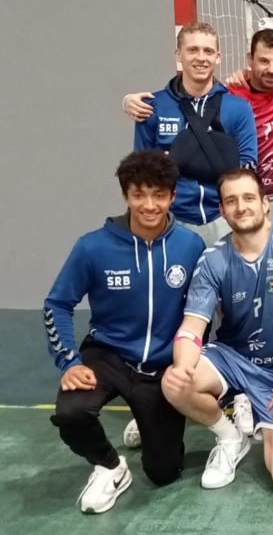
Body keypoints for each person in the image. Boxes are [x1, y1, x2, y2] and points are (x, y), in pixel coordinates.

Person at [42, 150, 205, 513]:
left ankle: (144, 420)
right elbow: (57, 304)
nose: (149, 205)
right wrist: (68, 361)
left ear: (173, 195)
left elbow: (203, 311)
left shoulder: (191, 246)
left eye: (159, 195)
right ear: (126, 196)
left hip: (162, 366)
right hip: (108, 355)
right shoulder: (93, 246)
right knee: (72, 413)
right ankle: (111, 467)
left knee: (164, 472)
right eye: (139, 195)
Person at [161, 168, 273, 491]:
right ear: (222, 211)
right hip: (233, 358)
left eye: (248, 198)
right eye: (231, 201)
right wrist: (183, 367)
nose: (241, 207)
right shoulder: (213, 259)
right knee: (175, 384)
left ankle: (260, 415)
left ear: (265, 203)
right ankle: (231, 437)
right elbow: (192, 327)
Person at [124, 29, 273, 224]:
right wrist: (127, 100)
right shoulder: (232, 93)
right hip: (230, 204)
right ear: (250, 60)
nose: (271, 69)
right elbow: (140, 168)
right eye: (263, 61)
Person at [131, 22, 258, 246]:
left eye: (208, 51)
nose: (201, 57)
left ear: (218, 57)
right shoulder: (153, 107)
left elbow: (247, 166)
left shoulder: (239, 108)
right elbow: (142, 171)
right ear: (178, 55)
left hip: (224, 218)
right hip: (171, 220)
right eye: (193, 50)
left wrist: (175, 162)